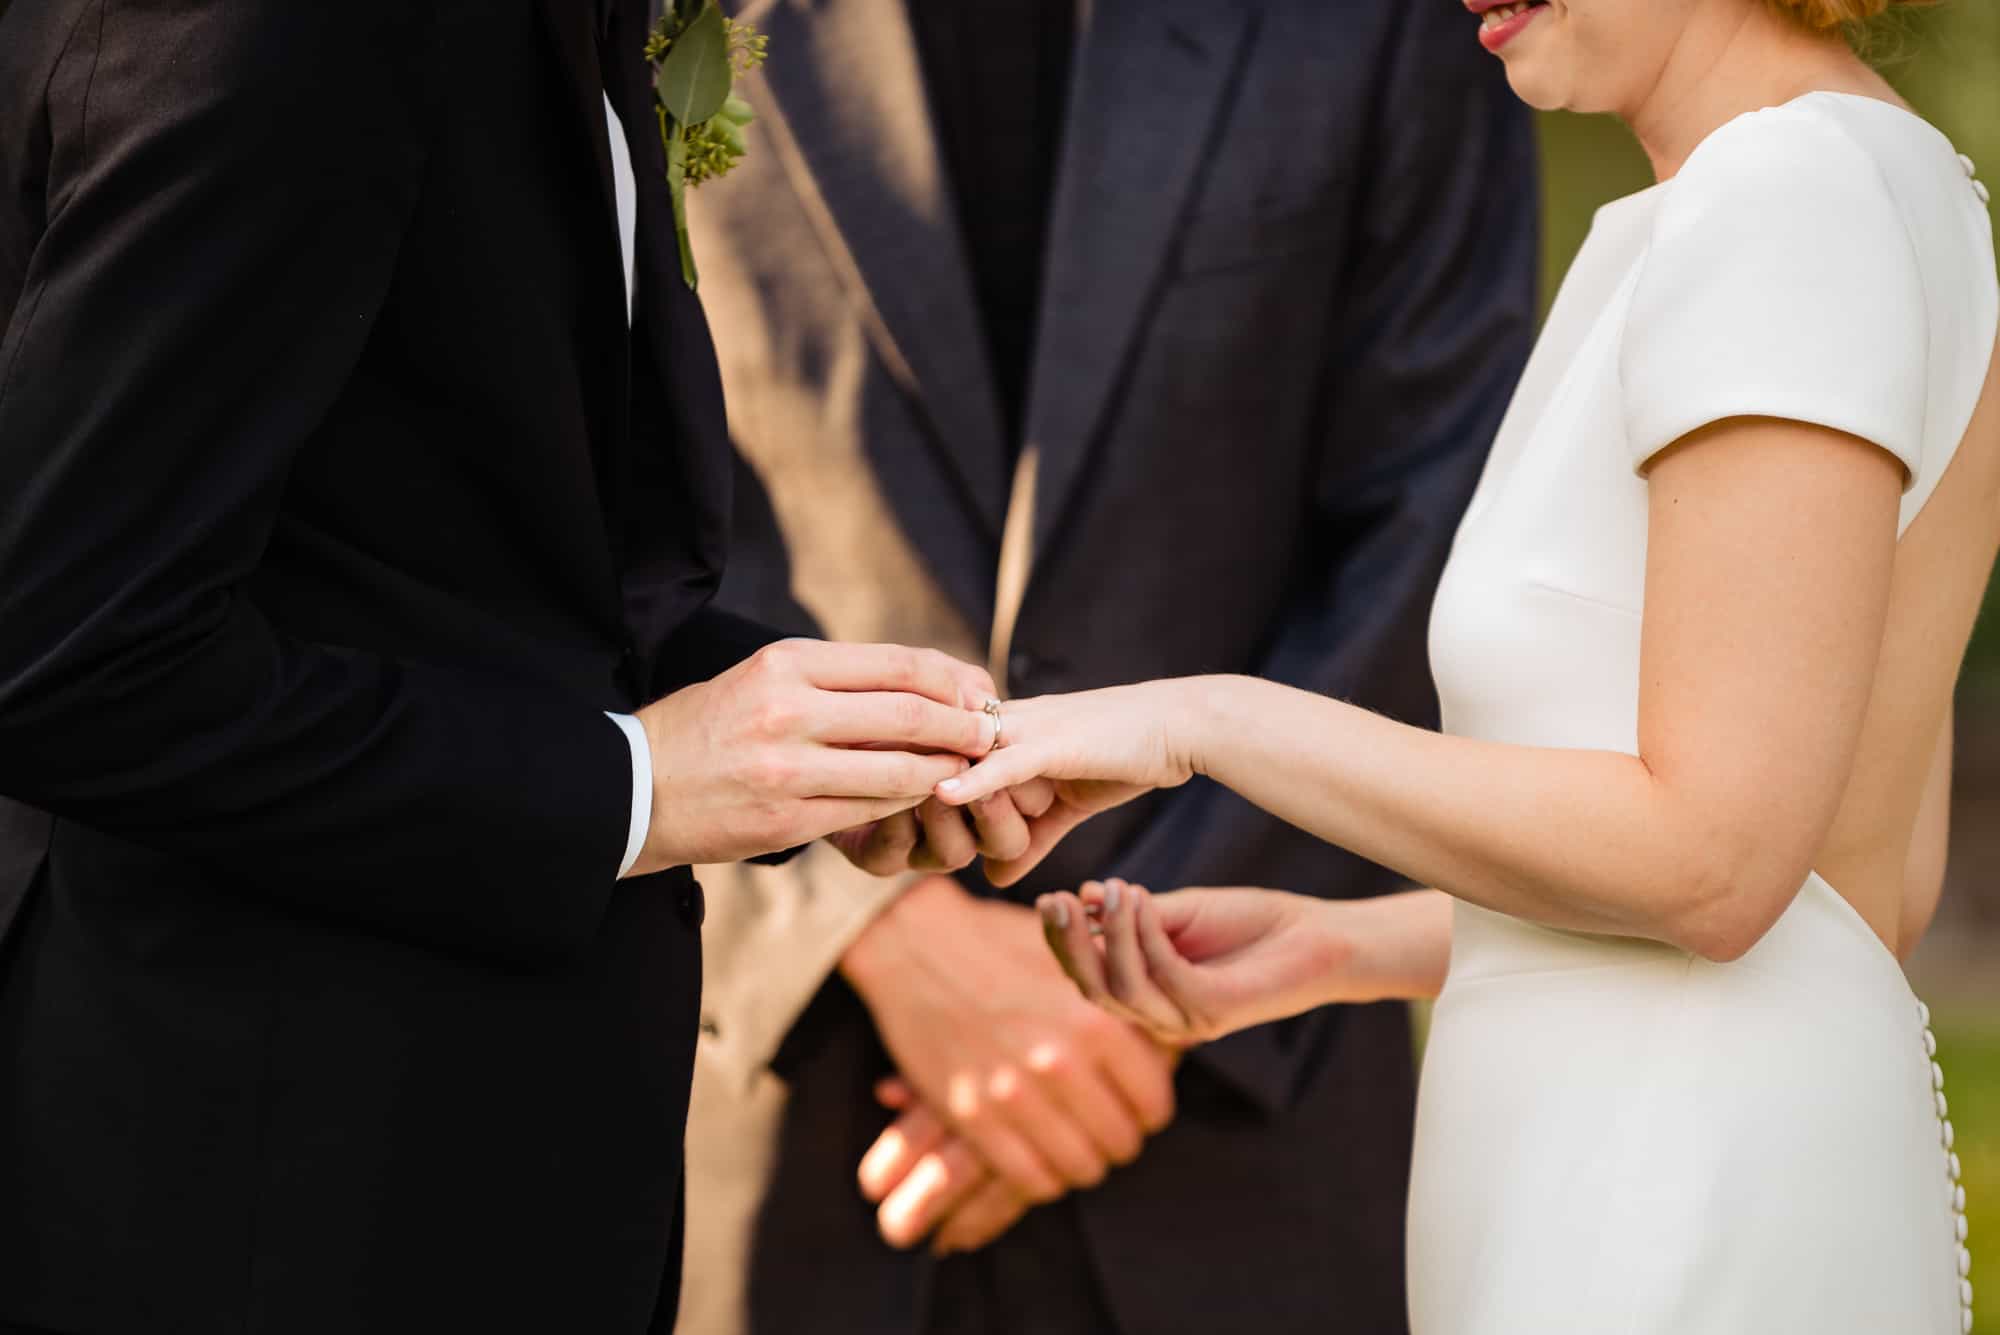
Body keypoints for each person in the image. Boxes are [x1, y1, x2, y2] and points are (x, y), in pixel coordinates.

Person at [932, 0, 1999, 1330]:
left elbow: (1719, 866)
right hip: (1689, 1172)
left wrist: (1204, 721)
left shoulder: (1781, 202)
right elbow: (1860, 886)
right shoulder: (1881, 187)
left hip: (1668, 1211)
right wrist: (1346, 946)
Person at [0, 2, 1020, 1331]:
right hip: (257, 1190)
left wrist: (803, 738)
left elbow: (403, 545)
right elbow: (59, 656)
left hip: (456, 1166)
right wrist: (641, 785)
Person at [674, 1, 1536, 1332]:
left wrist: (1127, 981)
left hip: (1254, 1114)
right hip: (782, 1113)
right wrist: (858, 927)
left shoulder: (1406, 23)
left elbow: (1437, 515)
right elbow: (576, 515)